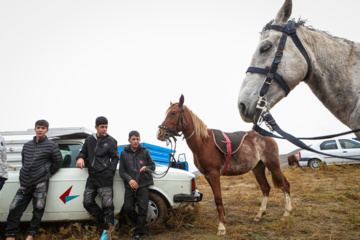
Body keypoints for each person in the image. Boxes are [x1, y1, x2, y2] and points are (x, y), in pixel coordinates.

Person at [5, 120, 63, 240]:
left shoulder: (52, 145)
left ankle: (31, 234)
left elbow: (58, 162)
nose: (40, 130)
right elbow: (24, 162)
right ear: (35, 129)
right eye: (38, 127)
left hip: (41, 181)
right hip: (25, 182)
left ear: (47, 130)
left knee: (38, 208)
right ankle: (10, 235)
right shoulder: (27, 145)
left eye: (42, 128)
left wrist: (47, 173)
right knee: (14, 207)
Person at [76, 116, 119, 239]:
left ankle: (108, 231)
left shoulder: (111, 141)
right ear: (96, 127)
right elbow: (83, 152)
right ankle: (110, 222)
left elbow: (115, 158)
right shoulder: (89, 140)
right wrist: (80, 158)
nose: (104, 129)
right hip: (92, 177)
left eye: (106, 127)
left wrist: (110, 172)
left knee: (107, 205)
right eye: (102, 127)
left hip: (105, 176)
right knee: (87, 202)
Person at [119, 130, 155, 240]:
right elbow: (121, 171)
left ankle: (138, 233)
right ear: (129, 140)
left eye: (137, 139)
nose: (135, 141)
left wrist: (146, 168)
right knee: (128, 208)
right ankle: (141, 225)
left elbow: (153, 166)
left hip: (143, 184)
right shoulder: (124, 153)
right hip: (130, 185)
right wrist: (130, 180)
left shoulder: (145, 152)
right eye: (133, 139)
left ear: (140, 140)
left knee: (143, 208)